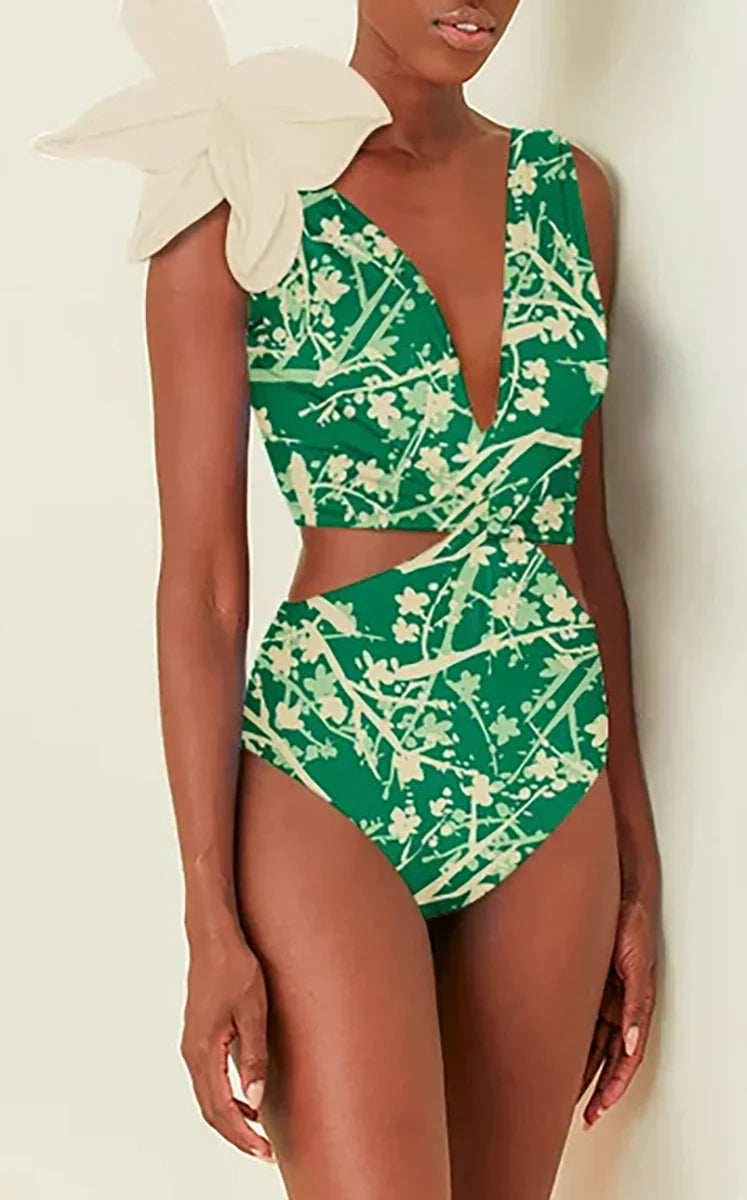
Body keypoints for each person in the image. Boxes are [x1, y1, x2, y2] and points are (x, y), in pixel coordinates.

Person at [36, 1, 661, 1195]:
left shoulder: (568, 193)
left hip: (548, 771)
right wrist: (206, 920)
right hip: (333, 770)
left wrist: (636, 868)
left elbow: (585, 543)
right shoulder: (235, 190)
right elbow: (203, 587)